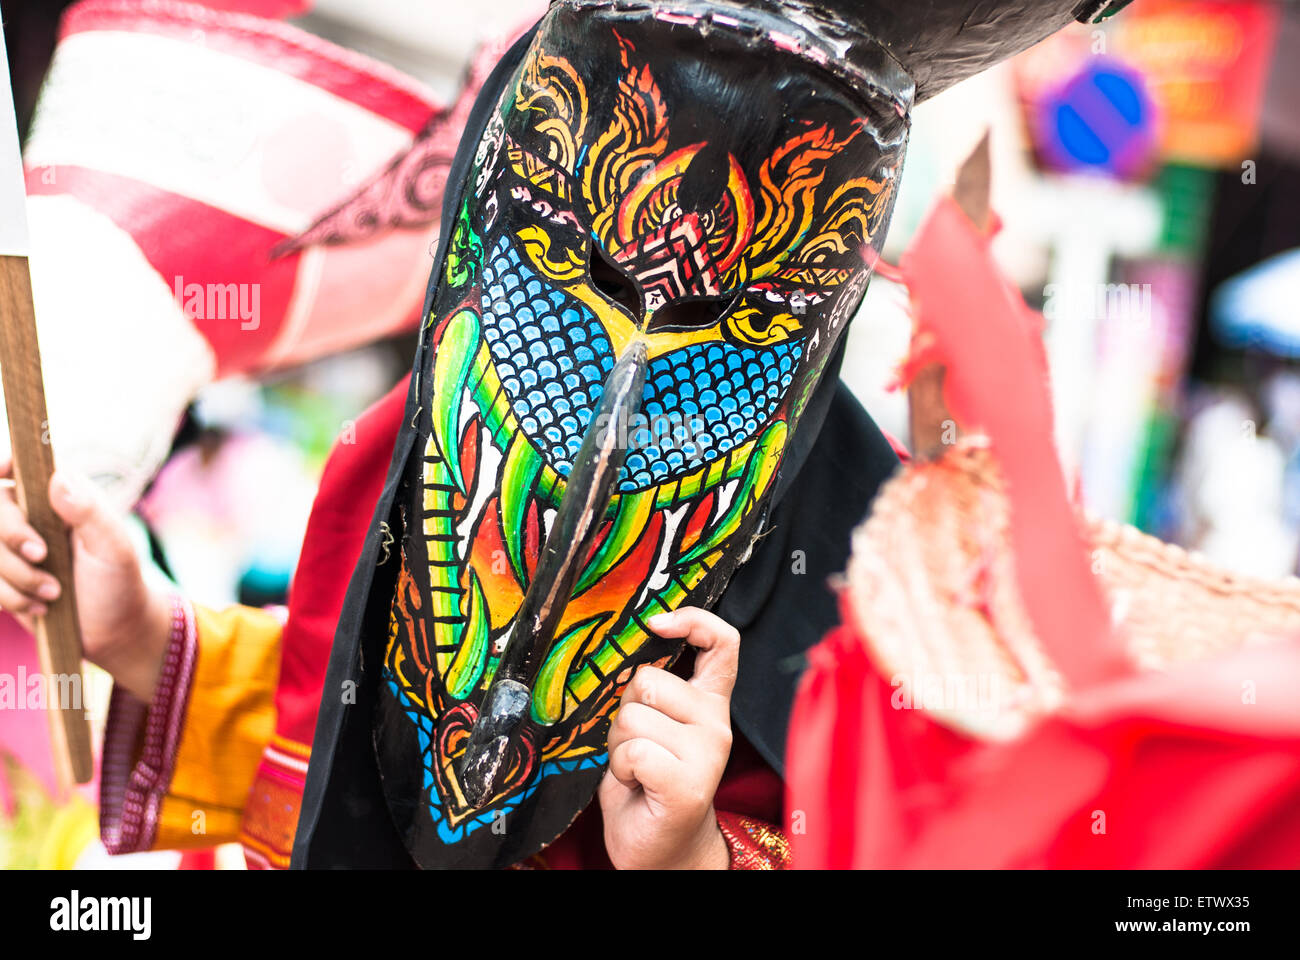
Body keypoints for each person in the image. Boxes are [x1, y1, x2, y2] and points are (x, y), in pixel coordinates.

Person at [0, 0, 1126, 869]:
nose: (628, 375)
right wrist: (144, 633)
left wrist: (695, 854)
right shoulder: (391, 464)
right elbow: (340, 743)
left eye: (735, 324)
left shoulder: (881, 633)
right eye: (568, 273)